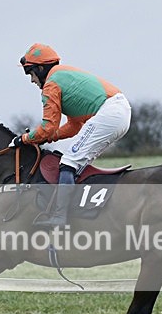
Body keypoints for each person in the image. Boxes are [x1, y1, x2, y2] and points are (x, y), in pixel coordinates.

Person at [12, 43, 131, 227]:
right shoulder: (62, 75)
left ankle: (59, 217)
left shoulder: (51, 85)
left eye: (31, 74)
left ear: (40, 69)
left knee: (69, 161)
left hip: (110, 113)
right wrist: (47, 138)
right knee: (76, 161)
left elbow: (48, 127)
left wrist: (24, 139)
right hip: (118, 112)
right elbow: (74, 126)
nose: (32, 80)